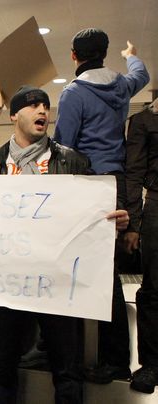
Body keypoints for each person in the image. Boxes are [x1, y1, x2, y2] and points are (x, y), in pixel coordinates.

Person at [0, 86, 128, 404]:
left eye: (46, 106)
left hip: (58, 286)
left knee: (67, 374)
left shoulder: (73, 161)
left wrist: (113, 221)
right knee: (4, 371)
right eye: (33, 105)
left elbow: (93, 214)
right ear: (13, 115)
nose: (42, 111)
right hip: (7, 287)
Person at [54, 29, 150, 384]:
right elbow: (143, 75)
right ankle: (116, 361)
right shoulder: (122, 86)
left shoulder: (74, 93)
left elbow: (64, 145)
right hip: (116, 183)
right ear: (103, 54)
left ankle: (75, 359)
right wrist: (131, 54)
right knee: (107, 278)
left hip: (87, 185)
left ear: (74, 56)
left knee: (77, 274)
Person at [125, 99, 158, 393]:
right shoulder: (144, 120)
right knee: (154, 288)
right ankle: (151, 364)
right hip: (157, 203)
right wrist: (134, 224)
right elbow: (134, 173)